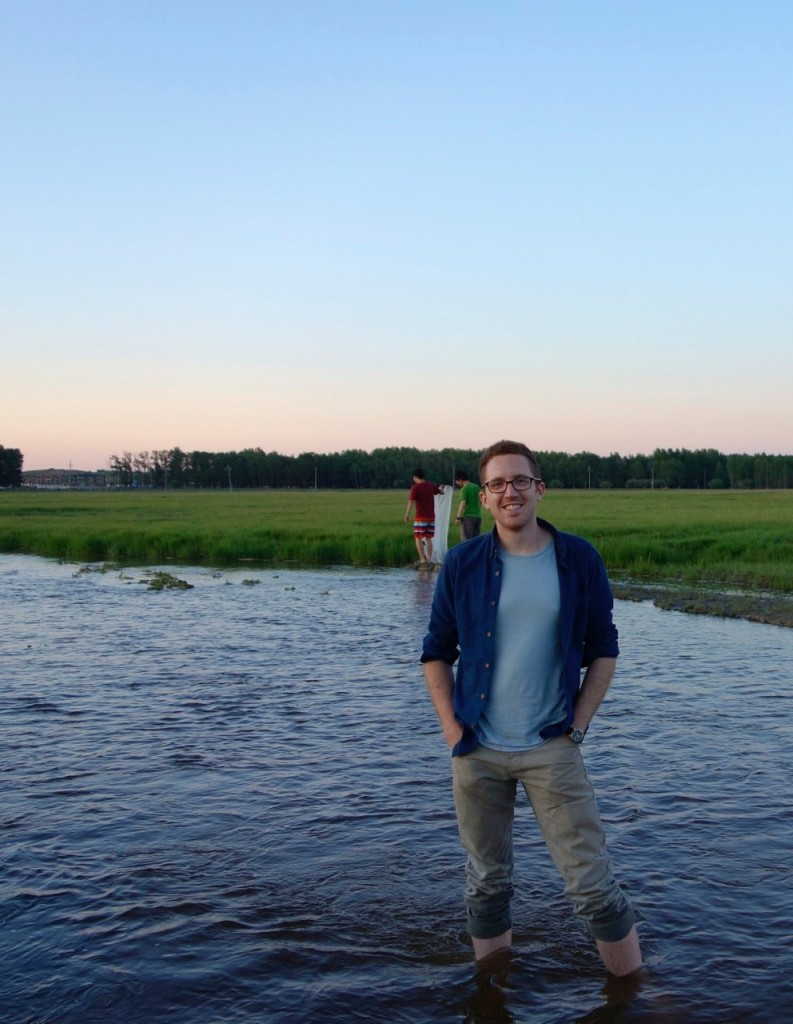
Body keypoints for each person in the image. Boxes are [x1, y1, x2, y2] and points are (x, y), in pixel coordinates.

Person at [421, 440, 642, 976]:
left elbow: (604, 649)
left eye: (520, 481)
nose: (509, 492)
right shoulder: (463, 563)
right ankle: (492, 990)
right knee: (487, 881)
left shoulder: (578, 559)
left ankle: (638, 990)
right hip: (476, 747)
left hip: (552, 746)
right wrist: (452, 730)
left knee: (590, 884)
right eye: (497, 483)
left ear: (539, 490)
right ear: (486, 497)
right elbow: (436, 651)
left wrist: (579, 726)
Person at [404, 468, 444, 564]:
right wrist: (441, 489)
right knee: (428, 538)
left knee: (418, 538)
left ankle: (422, 559)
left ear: (415, 477)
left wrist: (407, 514)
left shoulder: (415, 488)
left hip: (420, 517)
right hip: (431, 517)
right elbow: (441, 492)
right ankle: (429, 559)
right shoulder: (430, 486)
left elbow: (411, 501)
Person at [454, 470, 482, 541]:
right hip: (478, 516)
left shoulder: (464, 489)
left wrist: (458, 517)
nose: (456, 483)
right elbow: (481, 500)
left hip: (468, 517)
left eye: (456, 481)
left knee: (466, 540)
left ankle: (466, 552)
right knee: (475, 540)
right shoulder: (476, 486)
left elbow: (462, 503)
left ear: (460, 480)